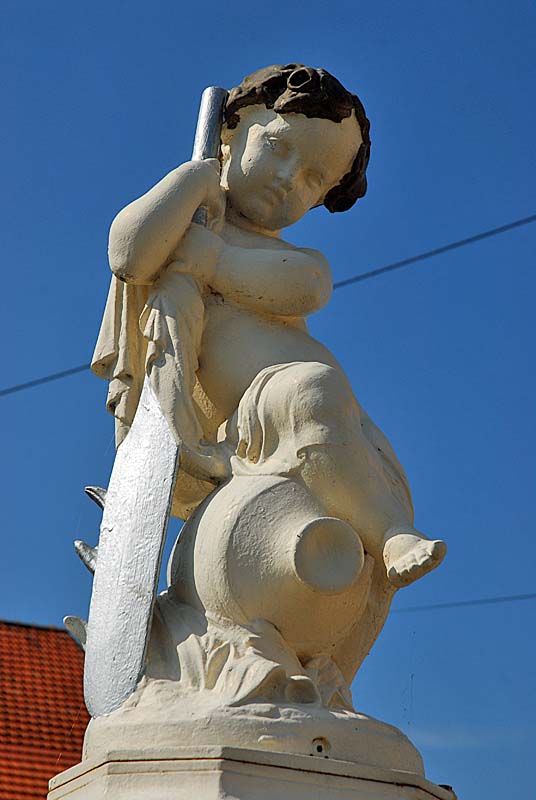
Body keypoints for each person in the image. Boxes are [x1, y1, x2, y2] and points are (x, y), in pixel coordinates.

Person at [92, 64, 445, 588]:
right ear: (231, 131)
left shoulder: (285, 259)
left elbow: (308, 287)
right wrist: (195, 177)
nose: (287, 179)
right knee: (311, 389)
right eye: (278, 147)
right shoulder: (182, 222)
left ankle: (390, 531)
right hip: (254, 418)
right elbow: (127, 255)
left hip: (317, 410)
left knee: (314, 391)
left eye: (313, 180)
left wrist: (212, 262)